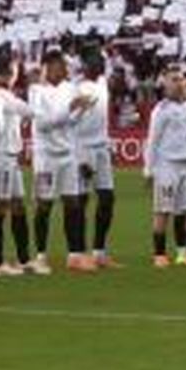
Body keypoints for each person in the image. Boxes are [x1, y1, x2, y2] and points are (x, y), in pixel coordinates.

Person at [28, 49, 95, 274]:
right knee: (44, 205)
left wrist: (82, 109)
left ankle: (75, 255)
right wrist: (71, 108)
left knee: (73, 203)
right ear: (49, 67)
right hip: (46, 156)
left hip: (68, 154)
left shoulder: (70, 89)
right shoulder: (37, 90)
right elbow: (42, 124)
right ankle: (40, 256)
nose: (65, 70)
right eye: (61, 66)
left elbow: (71, 123)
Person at [144, 68, 186, 268]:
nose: (178, 83)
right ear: (165, 85)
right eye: (173, 80)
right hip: (167, 166)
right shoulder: (161, 110)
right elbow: (152, 141)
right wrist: (148, 170)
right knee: (163, 211)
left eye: (180, 79)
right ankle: (159, 255)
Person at [73, 49, 120, 268]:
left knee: (107, 198)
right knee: (81, 201)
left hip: (101, 147)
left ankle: (99, 251)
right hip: (83, 147)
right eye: (97, 62)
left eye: (102, 61)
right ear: (86, 65)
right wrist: (78, 154)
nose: (101, 65)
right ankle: (80, 254)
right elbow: (69, 121)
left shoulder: (102, 84)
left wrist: (109, 143)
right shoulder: (78, 88)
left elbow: (102, 118)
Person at [0, 62, 34, 275]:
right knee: (0, 205)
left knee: (18, 206)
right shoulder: (0, 96)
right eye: (14, 72)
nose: (17, 75)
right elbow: (28, 110)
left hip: (11, 158)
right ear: (7, 75)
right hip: (1, 157)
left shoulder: (5, 96)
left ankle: (23, 259)